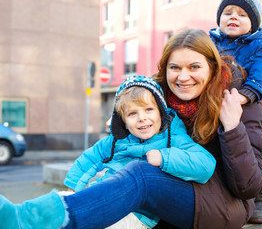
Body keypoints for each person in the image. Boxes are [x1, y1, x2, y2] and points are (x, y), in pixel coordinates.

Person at [0, 29, 262, 229]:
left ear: (212, 67)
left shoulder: (241, 101)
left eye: (194, 67)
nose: (183, 76)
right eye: (175, 67)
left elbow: (250, 187)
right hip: (170, 194)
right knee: (117, 189)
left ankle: (27, 220)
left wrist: (233, 128)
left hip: (220, 204)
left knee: (142, 175)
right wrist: (122, 122)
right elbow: (132, 106)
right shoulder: (159, 99)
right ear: (165, 70)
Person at [64, 75, 216, 228]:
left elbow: (206, 164)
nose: (142, 118)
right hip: (105, 195)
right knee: (64, 211)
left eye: (149, 109)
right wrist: (72, 188)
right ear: (123, 120)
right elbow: (90, 159)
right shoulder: (117, 140)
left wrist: (165, 158)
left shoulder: (173, 137)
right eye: (132, 113)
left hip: (137, 213)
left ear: (161, 111)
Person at [209, 0, 262, 223]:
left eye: (242, 14)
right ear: (218, 19)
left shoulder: (261, 47)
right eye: (227, 12)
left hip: (260, 105)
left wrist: (244, 96)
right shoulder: (210, 43)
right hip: (223, 107)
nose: (233, 17)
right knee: (231, 150)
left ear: (253, 23)